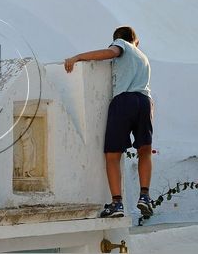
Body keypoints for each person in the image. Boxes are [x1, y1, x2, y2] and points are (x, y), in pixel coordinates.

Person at [64, 26, 154, 218]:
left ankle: (116, 203)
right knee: (144, 151)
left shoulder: (122, 44)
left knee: (112, 155)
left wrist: (78, 57)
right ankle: (145, 196)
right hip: (144, 102)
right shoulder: (143, 58)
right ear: (136, 40)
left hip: (124, 101)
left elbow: (111, 52)